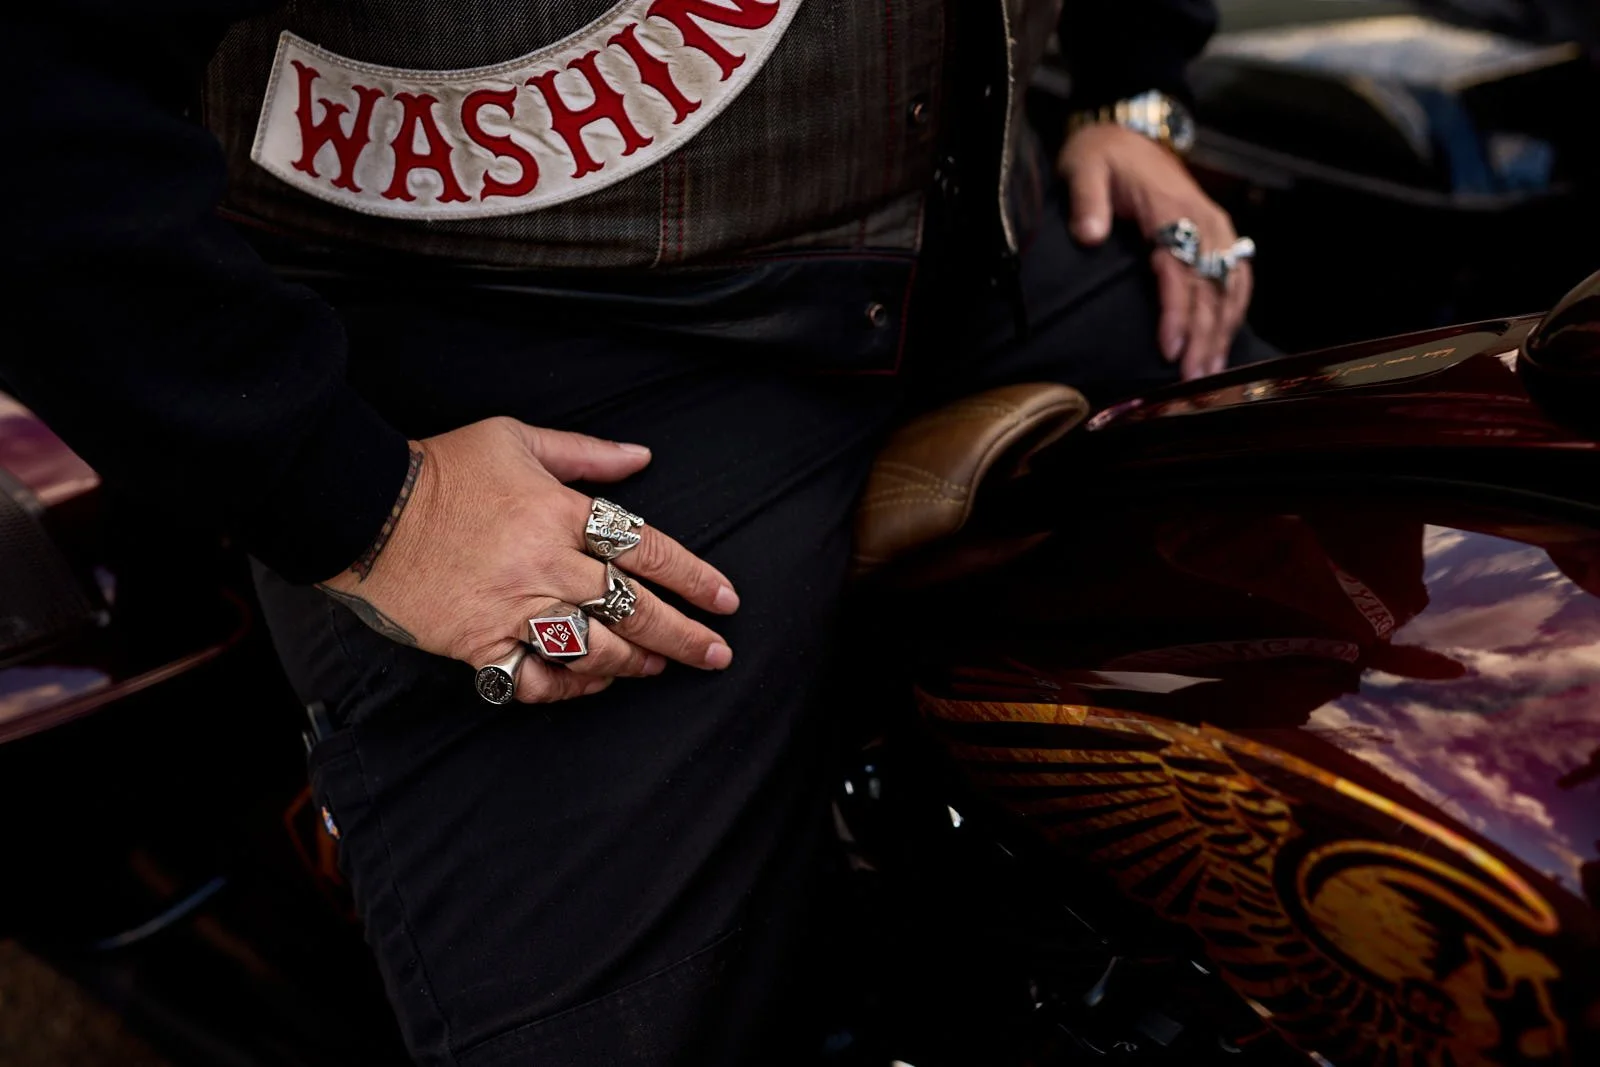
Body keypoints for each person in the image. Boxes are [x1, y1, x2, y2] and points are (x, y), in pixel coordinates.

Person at [2, 0, 1269, 1062]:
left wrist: (1131, 88)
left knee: (1406, 649)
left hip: (998, 238)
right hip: (543, 368)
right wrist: (366, 509)